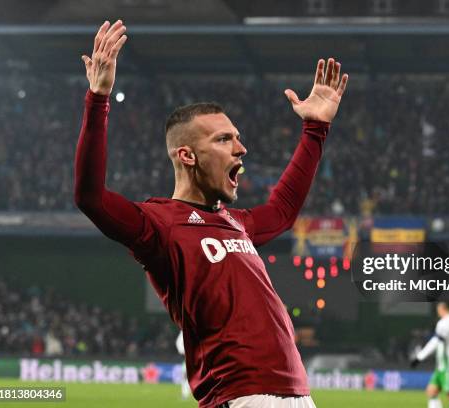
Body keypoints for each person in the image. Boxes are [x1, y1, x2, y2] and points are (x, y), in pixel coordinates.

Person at [74, 20, 348, 408]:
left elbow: (283, 211)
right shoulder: (160, 225)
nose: (241, 149)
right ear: (187, 155)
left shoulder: (235, 223)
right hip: (242, 396)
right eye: (224, 139)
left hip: (297, 394)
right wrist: (98, 97)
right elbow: (91, 197)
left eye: (237, 137)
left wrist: (316, 128)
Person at [410, 301, 449, 408]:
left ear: (442, 308)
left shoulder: (445, 322)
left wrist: (419, 357)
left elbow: (436, 341)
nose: (437, 310)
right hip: (446, 365)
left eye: (438, 308)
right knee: (432, 391)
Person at [175, 331, 190, 400]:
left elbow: (179, 344)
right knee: (185, 377)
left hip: (191, 358)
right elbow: (179, 345)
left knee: (185, 377)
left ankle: (185, 394)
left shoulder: (185, 330)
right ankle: (185, 393)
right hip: (189, 358)